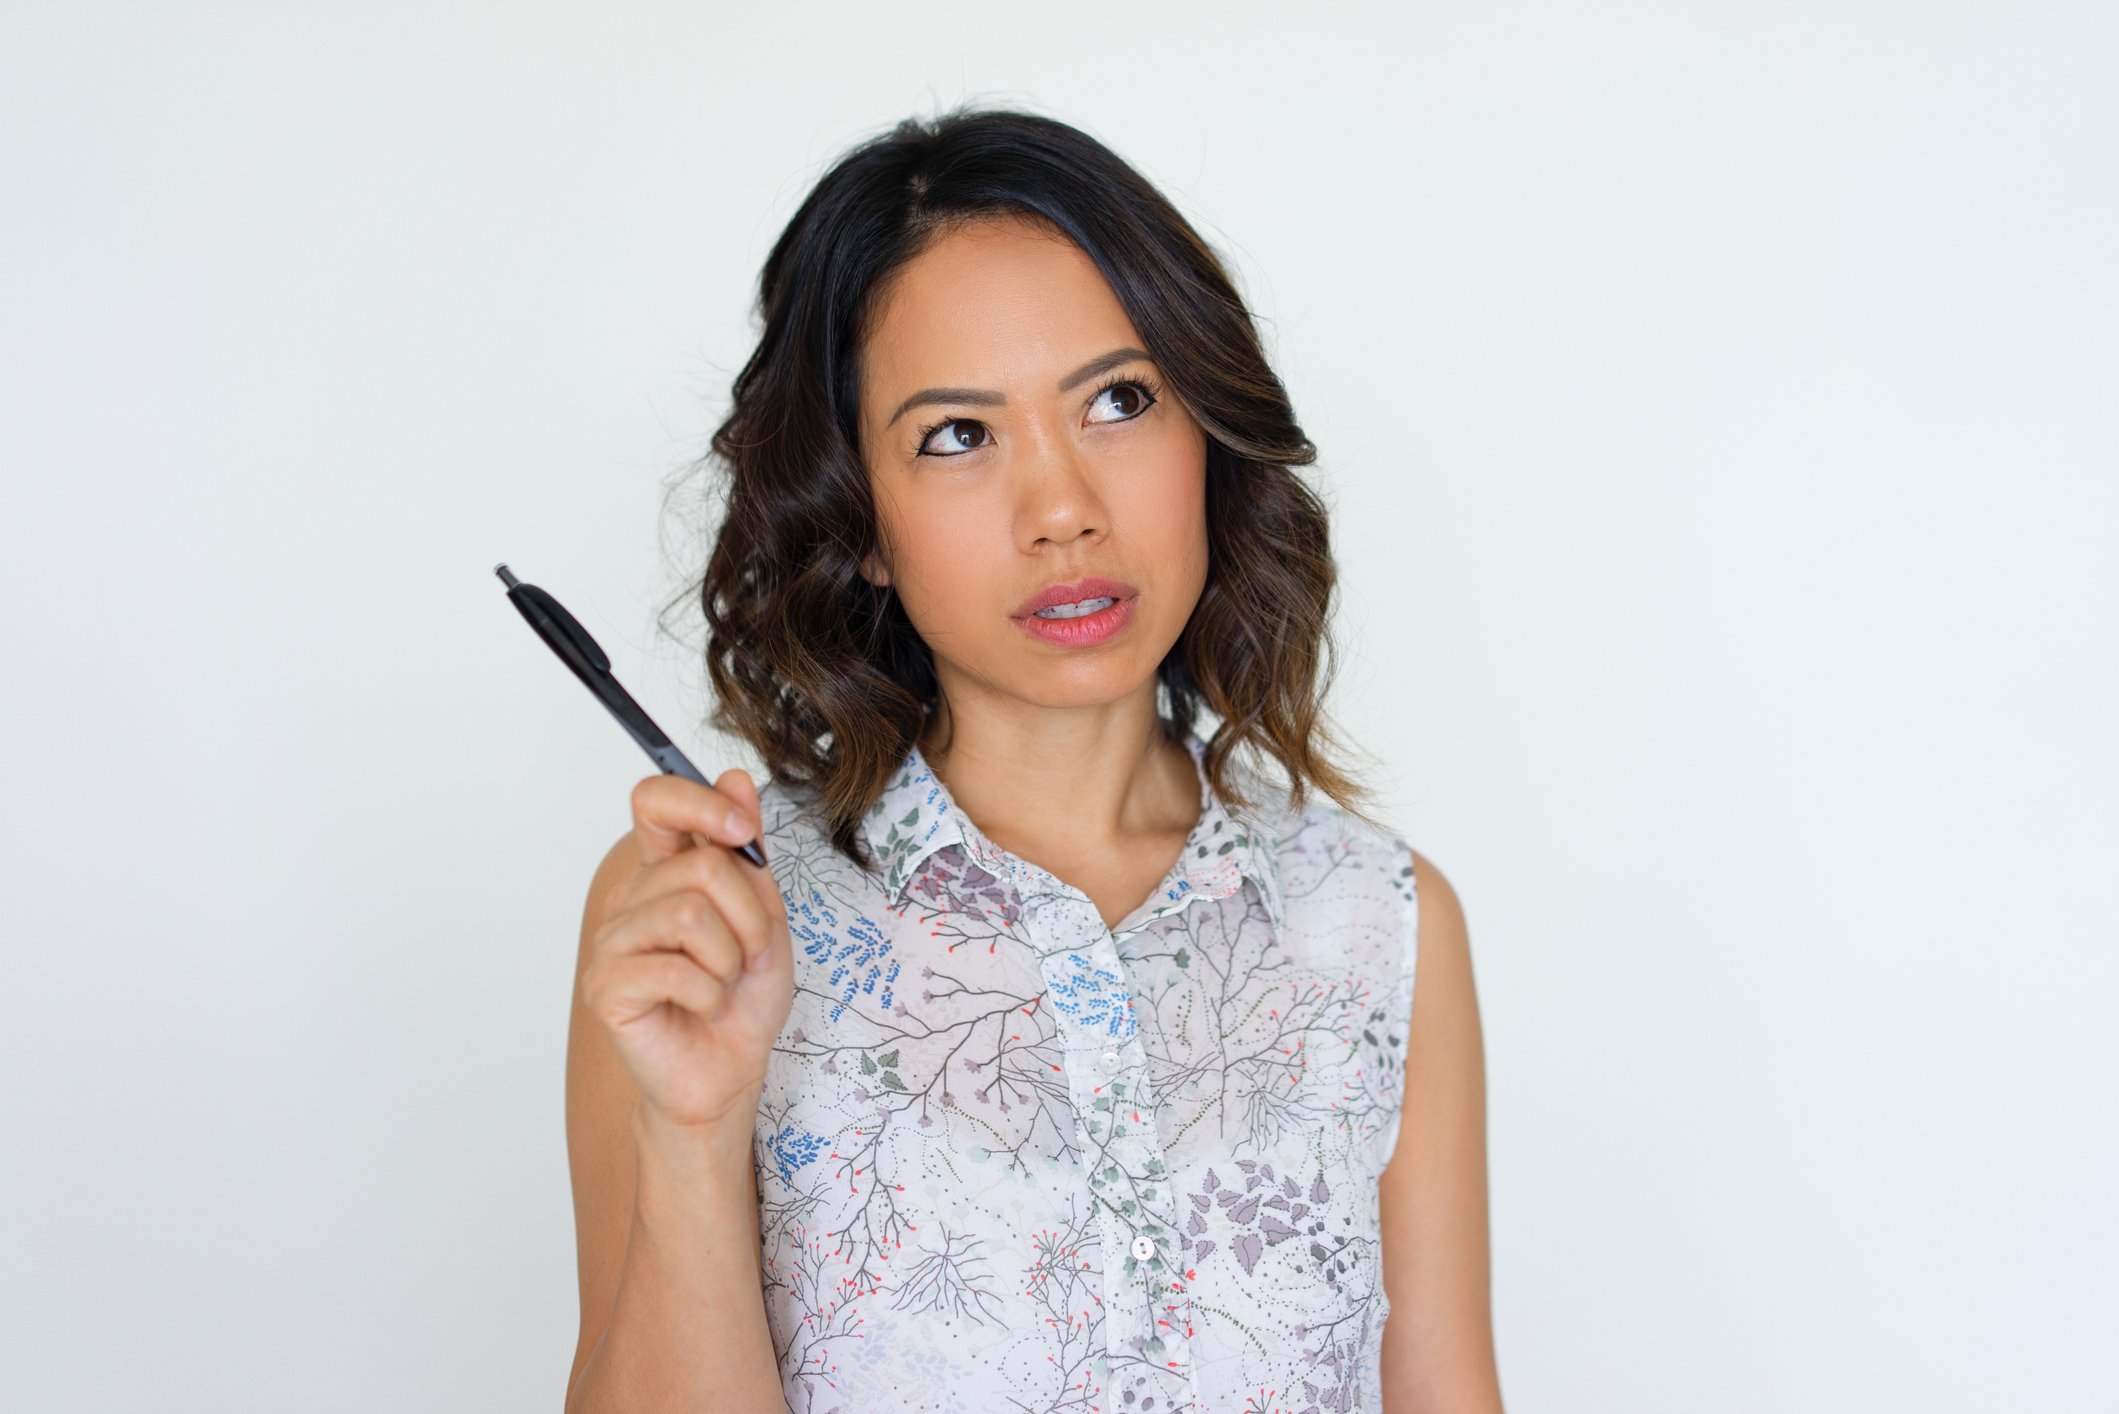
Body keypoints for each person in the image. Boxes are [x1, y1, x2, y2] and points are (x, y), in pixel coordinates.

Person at [561, 105, 1503, 1414]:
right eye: (958, 434)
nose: (1061, 507)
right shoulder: (708, 920)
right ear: (863, 517)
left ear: (1206, 441)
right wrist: (693, 1127)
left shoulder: (1378, 923)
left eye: (1119, 400)